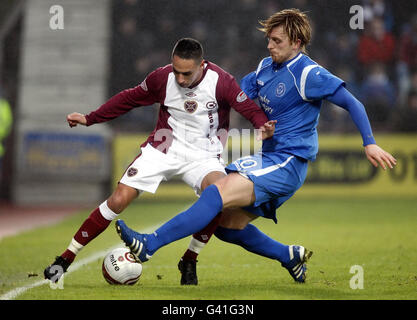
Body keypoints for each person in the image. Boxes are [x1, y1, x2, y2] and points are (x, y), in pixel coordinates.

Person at [116, 9, 397, 284]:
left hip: (289, 161)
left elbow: (353, 103)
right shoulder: (265, 67)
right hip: (270, 159)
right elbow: (234, 96)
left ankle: (150, 244)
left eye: (277, 41)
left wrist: (369, 143)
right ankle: (288, 256)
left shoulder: (308, 73)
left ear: (297, 43)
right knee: (227, 225)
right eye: (269, 39)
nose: (269, 45)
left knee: (216, 194)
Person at [44, 38, 275, 282]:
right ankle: (65, 258)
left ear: (202, 65)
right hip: (164, 147)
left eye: (187, 73)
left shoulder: (221, 81)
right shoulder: (161, 78)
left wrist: (262, 125)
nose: (180, 79)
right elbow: (128, 99)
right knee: (118, 199)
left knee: (218, 195)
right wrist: (90, 118)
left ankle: (189, 259)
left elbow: (249, 108)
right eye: (176, 71)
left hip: (205, 154)